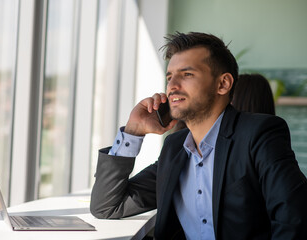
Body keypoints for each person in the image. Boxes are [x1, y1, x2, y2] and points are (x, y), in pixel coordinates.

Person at [90, 32, 307, 239]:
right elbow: (108, 206)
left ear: (223, 84)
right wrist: (133, 132)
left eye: (187, 75)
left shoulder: (259, 134)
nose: (172, 87)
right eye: (170, 77)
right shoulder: (174, 148)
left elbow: (294, 218)